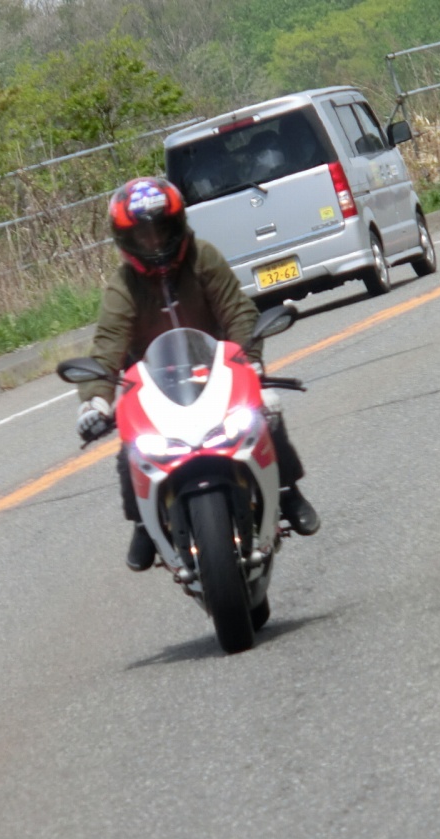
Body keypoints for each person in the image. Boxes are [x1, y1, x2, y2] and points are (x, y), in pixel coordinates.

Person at [75, 176, 320, 571]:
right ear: (125, 240)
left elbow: (238, 311)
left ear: (178, 224)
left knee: (266, 413)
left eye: (161, 229)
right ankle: (143, 523)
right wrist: (95, 401)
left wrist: (249, 360)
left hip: (219, 368)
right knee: (131, 447)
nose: (154, 241)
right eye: (142, 235)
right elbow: (107, 345)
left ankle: (288, 491)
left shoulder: (203, 257)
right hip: (157, 384)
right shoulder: (123, 286)